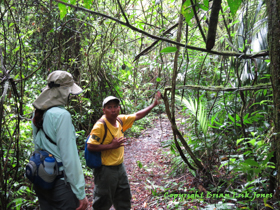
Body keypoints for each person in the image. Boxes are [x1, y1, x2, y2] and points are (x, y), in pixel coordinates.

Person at [87, 92, 161, 210]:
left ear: (119, 108)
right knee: (102, 201)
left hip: (120, 168)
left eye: (115, 106)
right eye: (109, 107)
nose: (113, 110)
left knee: (124, 198)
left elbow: (137, 115)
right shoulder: (100, 126)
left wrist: (153, 105)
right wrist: (112, 146)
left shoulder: (120, 120)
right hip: (105, 171)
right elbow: (90, 146)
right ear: (104, 110)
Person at [32, 70, 88, 210]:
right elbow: (69, 157)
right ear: (63, 91)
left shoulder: (39, 112)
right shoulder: (62, 115)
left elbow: (37, 146)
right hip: (60, 184)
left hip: (42, 179)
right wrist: (80, 192)